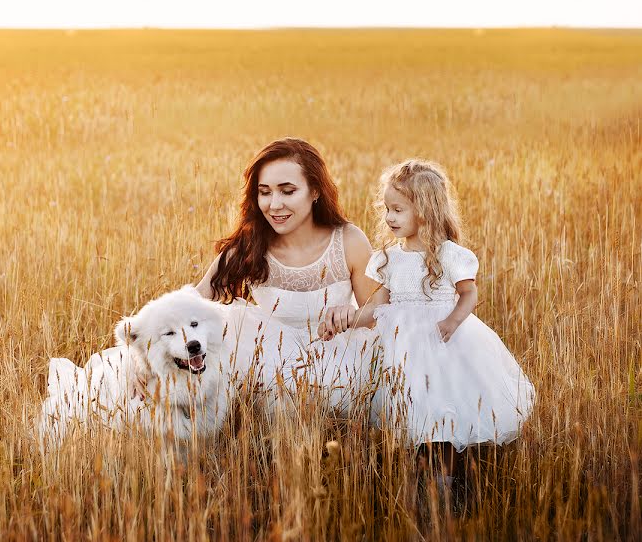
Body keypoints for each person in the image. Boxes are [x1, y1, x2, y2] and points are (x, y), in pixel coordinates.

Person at [360, 159, 535, 492]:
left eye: (397, 210)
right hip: (404, 349)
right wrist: (346, 318)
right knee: (414, 414)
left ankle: (445, 483)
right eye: (387, 209)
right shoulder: (389, 258)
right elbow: (376, 307)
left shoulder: (449, 255)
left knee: (443, 410)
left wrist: (452, 321)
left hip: (445, 343)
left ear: (424, 210)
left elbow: (468, 294)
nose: (388, 218)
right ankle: (421, 482)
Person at [195, 138, 381, 414]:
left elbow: (380, 311)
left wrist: (350, 315)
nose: (274, 204)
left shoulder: (349, 240)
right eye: (265, 192)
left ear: (315, 191)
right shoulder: (248, 245)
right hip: (267, 363)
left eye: (287, 191)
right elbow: (189, 304)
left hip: (341, 360)